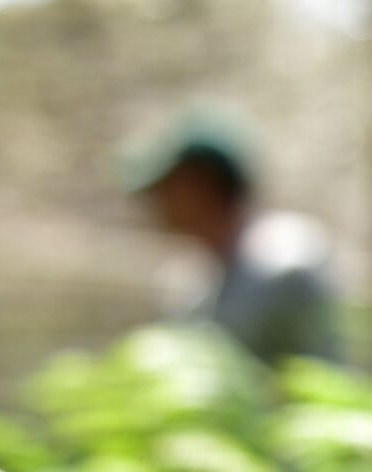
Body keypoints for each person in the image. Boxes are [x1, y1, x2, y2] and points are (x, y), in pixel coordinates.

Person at [121, 110, 345, 366]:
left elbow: (315, 371)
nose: (155, 201)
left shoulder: (284, 263)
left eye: (166, 186)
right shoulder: (192, 280)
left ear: (200, 184)